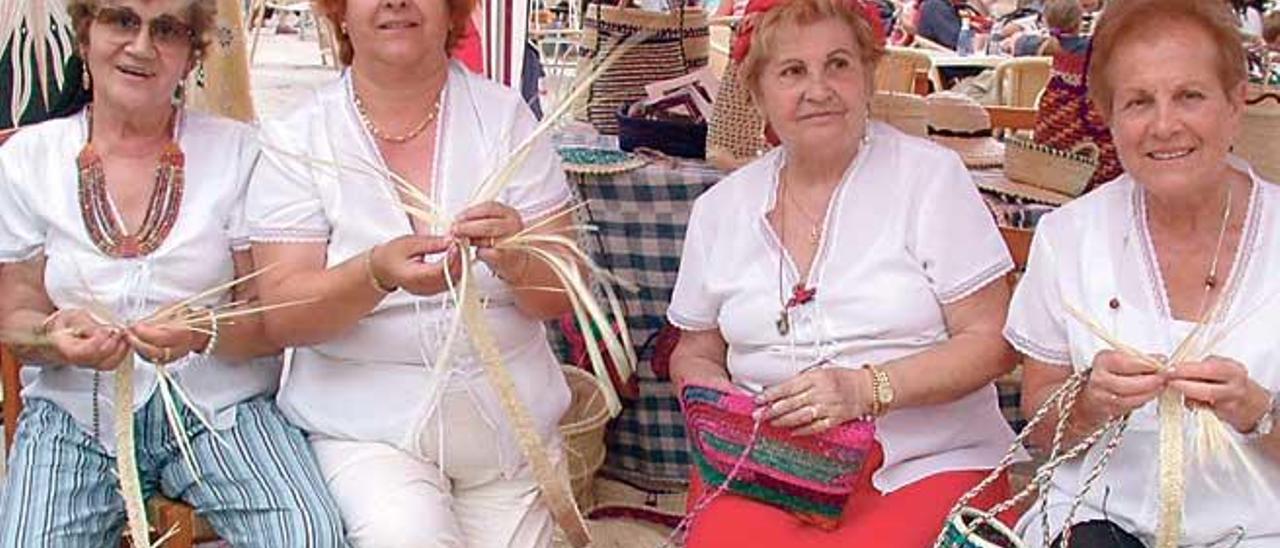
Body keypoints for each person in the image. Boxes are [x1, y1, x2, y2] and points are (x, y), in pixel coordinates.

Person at [667, 0, 1021, 545]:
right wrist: (719, 403)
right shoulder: (721, 209)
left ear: (867, 75)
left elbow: (994, 340)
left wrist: (866, 388)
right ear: (758, 93)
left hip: (926, 461)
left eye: (838, 64)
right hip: (770, 471)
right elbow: (695, 349)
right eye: (792, 71)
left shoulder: (929, 179)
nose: (818, 89)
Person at [0, 0, 347, 545]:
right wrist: (53, 338)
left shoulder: (240, 153)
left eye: (166, 30)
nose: (141, 46)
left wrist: (202, 333)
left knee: (307, 532)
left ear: (191, 55)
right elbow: (15, 319)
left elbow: (268, 321)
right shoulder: (29, 159)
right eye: (121, 21)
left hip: (221, 412)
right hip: (76, 416)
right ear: (85, 35)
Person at [244, 0, 579, 544]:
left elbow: (562, 293)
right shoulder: (298, 138)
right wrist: (373, 274)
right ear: (341, 14)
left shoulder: (505, 117)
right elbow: (282, 316)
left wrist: (519, 257)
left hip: (508, 435)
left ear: (452, 13)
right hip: (367, 432)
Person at [1007, 0, 1280, 545]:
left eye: (1189, 96)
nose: (1163, 125)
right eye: (1137, 102)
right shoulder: (1069, 237)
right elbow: (1039, 427)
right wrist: (1086, 404)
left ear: (1235, 103)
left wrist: (1259, 412)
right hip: (1095, 523)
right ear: (1109, 118)